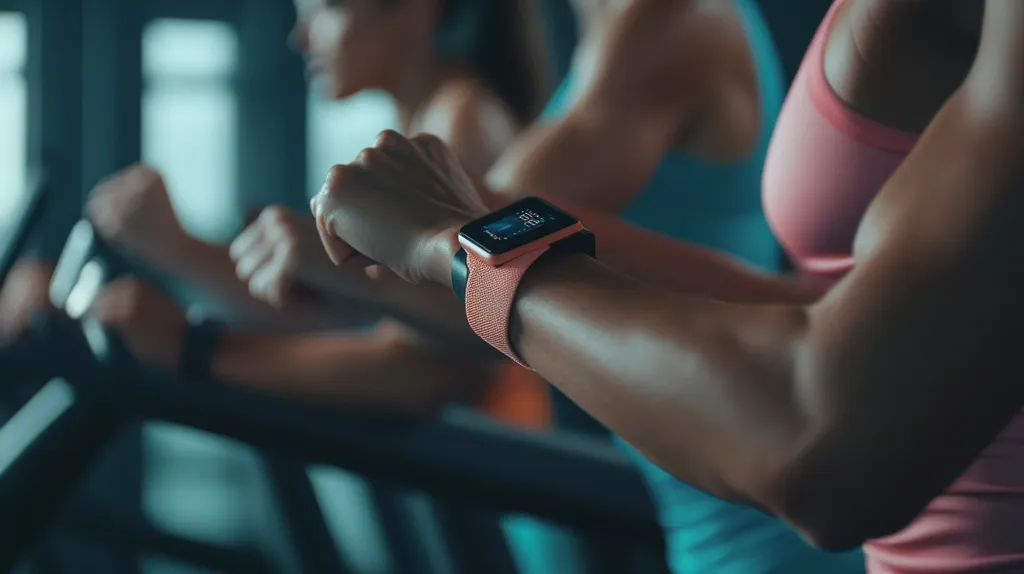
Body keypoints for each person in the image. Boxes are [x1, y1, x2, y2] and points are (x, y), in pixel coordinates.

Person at [295, 0, 1024, 571]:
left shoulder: (670, 25)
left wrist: (457, 245)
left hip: (762, 512)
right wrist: (463, 234)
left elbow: (823, 446)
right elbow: (813, 305)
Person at [54, 0, 552, 424]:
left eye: (328, 6)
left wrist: (197, 346)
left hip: (512, 503)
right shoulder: (431, 128)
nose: (300, 35)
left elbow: (417, 367)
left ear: (418, 9)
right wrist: (177, 250)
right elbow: (359, 315)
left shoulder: (464, 123)